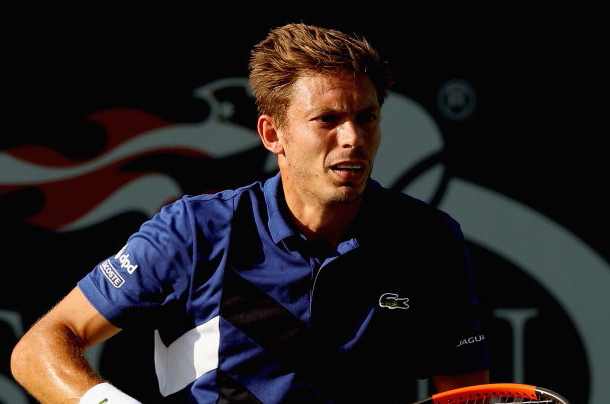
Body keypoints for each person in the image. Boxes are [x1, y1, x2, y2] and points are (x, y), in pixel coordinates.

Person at [11, 23, 490, 404]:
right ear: (272, 134)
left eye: (366, 117)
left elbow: (464, 392)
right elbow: (41, 346)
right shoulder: (194, 231)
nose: (352, 139)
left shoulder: (429, 240)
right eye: (327, 119)